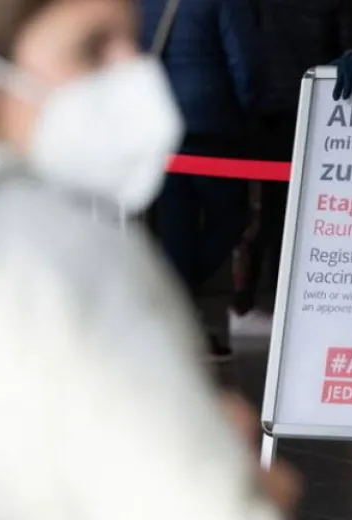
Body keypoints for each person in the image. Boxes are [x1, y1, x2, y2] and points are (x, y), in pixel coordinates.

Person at [0, 0, 298, 517]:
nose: (133, 73)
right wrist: (254, 484)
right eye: (91, 49)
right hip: (217, 128)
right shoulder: (71, 251)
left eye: (131, 42)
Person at [230, 0, 352, 336]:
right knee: (325, 212)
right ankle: (312, 301)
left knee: (271, 212)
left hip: (269, 113)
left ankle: (262, 301)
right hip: (324, 111)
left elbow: (245, 49)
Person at [141, 0, 261, 359]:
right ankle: (171, 297)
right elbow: (246, 64)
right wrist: (250, 115)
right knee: (232, 217)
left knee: (176, 232)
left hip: (161, 123)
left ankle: (174, 313)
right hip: (212, 124)